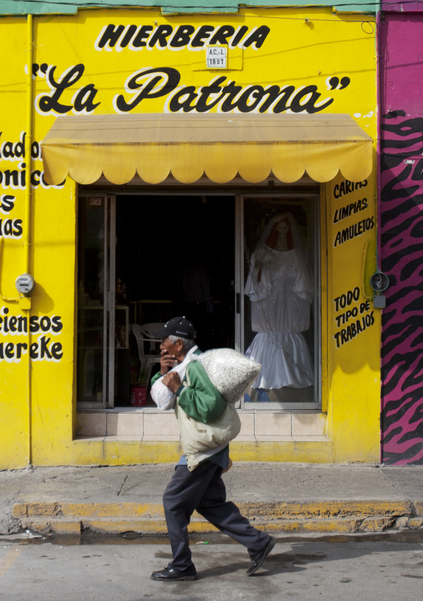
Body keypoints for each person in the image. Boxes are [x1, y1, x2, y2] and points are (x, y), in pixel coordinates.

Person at [148, 316, 275, 582]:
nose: (161, 346)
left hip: (203, 450)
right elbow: (161, 402)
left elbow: (210, 407)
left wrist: (180, 390)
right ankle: (258, 542)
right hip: (211, 448)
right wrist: (164, 375)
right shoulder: (184, 366)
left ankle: (181, 565)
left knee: (173, 502)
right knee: (211, 504)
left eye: (164, 341)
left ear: (178, 343)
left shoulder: (195, 368)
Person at [244, 212, 315, 401]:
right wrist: (259, 265)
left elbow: (303, 285)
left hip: (290, 304)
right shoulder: (263, 253)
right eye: (280, 228)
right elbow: (257, 281)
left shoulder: (297, 256)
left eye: (286, 228)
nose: (283, 231)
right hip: (270, 305)